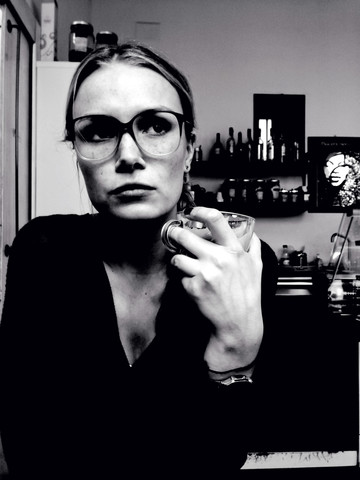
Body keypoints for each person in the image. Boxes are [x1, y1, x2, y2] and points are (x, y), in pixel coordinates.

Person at [0, 42, 278, 478]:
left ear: (188, 149)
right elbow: (29, 448)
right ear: (76, 151)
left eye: (154, 126)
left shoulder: (237, 264)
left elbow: (223, 457)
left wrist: (235, 345)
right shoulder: (44, 252)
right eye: (98, 131)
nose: (128, 155)